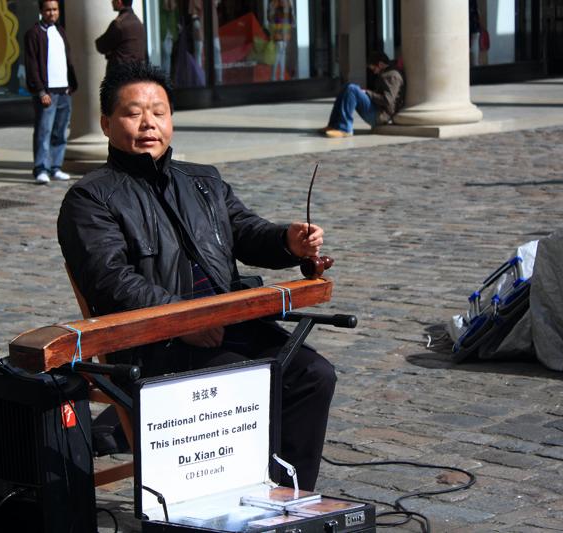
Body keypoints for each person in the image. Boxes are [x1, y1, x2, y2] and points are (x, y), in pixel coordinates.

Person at [58, 61, 336, 491]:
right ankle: (231, 498)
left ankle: (287, 496)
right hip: (157, 341)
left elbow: (246, 231)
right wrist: (183, 320)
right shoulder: (91, 197)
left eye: (159, 111)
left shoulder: (203, 180)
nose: (148, 123)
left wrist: (288, 241)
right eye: (134, 113)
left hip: (230, 321)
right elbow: (110, 281)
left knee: (313, 373)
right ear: (106, 123)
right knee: (241, 381)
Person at [24, 0, 78, 184]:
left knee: (60, 131)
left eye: (55, 9)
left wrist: (70, 85)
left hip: (63, 90)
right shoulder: (34, 33)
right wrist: (40, 91)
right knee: (43, 131)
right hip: (47, 92)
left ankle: (55, 166)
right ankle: (41, 168)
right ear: (41, 11)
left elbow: (66, 60)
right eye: (48, 10)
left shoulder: (60, 31)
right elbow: (32, 65)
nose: (52, 13)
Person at [321, 51, 405, 138]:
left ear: (380, 64)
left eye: (374, 69)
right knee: (347, 86)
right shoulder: (387, 73)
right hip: (377, 109)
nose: (374, 72)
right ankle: (333, 125)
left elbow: (387, 100)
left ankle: (345, 129)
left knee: (352, 89)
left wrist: (368, 93)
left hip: (381, 116)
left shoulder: (392, 76)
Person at [95, 0, 147, 74]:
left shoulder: (119, 24)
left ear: (119, 2)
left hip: (120, 75)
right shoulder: (138, 23)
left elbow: (101, 46)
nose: (112, 2)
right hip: (137, 73)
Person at [268, 0, 293, 81]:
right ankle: (277, 76)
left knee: (279, 54)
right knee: (280, 54)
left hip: (281, 33)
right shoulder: (284, 2)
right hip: (282, 33)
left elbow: (270, 18)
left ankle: (275, 76)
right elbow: (290, 18)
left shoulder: (275, 3)